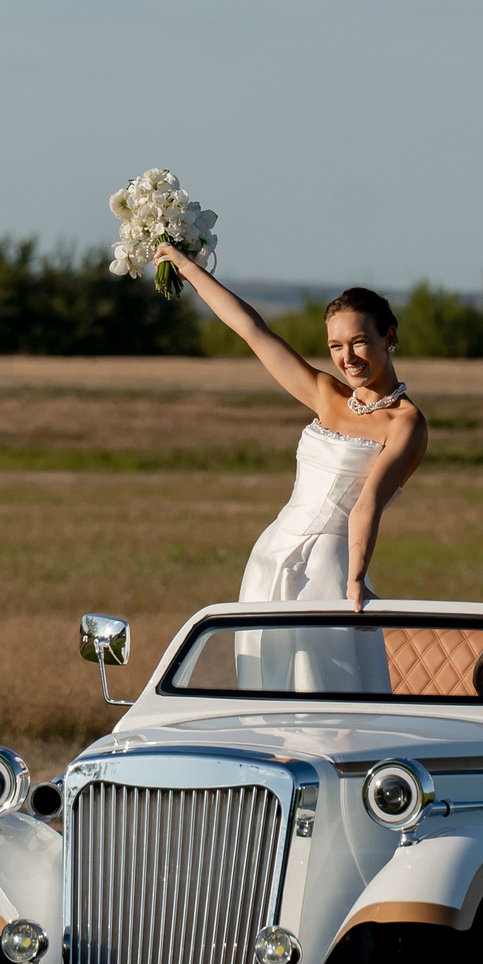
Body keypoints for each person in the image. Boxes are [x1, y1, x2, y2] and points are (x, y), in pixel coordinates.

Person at [154, 248, 426, 690]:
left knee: (321, 689)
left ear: (389, 336)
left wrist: (355, 582)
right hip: (269, 556)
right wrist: (185, 267)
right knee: (265, 687)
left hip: (330, 567)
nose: (348, 357)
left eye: (359, 342)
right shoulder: (325, 394)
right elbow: (251, 329)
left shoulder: (407, 424)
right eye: (336, 346)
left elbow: (367, 505)